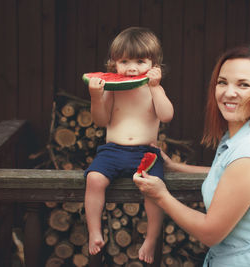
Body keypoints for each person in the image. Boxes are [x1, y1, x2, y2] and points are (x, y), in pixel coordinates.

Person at [133, 44, 250, 266]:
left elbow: (210, 232)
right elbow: (229, 175)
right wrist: (176, 167)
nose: (228, 92)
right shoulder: (248, 135)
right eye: (222, 82)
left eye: (243, 85)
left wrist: (161, 196)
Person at [84, 27, 174, 263]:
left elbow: (166, 115)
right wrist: (96, 97)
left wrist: (155, 88)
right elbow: (101, 120)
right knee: (93, 179)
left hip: (146, 152)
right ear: (113, 64)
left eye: (140, 61)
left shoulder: (154, 89)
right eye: (124, 61)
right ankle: (94, 231)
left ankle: (151, 238)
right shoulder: (113, 90)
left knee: (154, 189)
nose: (132, 68)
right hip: (112, 151)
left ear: (154, 64)